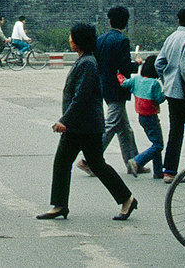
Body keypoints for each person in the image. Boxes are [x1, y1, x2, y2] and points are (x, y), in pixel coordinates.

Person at [36, 22, 136, 222]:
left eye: (72, 37)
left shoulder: (88, 63)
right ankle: (60, 205)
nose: (70, 40)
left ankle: (126, 198)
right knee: (66, 163)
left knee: (94, 164)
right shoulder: (85, 60)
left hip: (86, 126)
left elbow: (81, 97)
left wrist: (65, 120)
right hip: (80, 125)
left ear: (79, 41)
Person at [154, 7, 185, 182]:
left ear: (178, 20)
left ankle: (170, 171)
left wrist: (166, 79)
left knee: (175, 131)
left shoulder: (171, 37)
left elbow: (159, 63)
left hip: (171, 92)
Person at [94, 5, 137, 176]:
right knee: (111, 125)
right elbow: (125, 66)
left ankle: (133, 161)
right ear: (125, 23)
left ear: (110, 21)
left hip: (104, 85)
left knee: (124, 129)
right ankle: (90, 159)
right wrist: (137, 64)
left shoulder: (101, 39)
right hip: (117, 88)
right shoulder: (122, 41)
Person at [119, 55, 165, 178]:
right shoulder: (154, 83)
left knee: (156, 143)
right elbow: (159, 99)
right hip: (151, 117)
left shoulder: (136, 79)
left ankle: (158, 171)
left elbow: (124, 83)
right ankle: (137, 161)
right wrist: (166, 92)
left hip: (141, 116)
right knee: (158, 145)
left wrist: (118, 73)